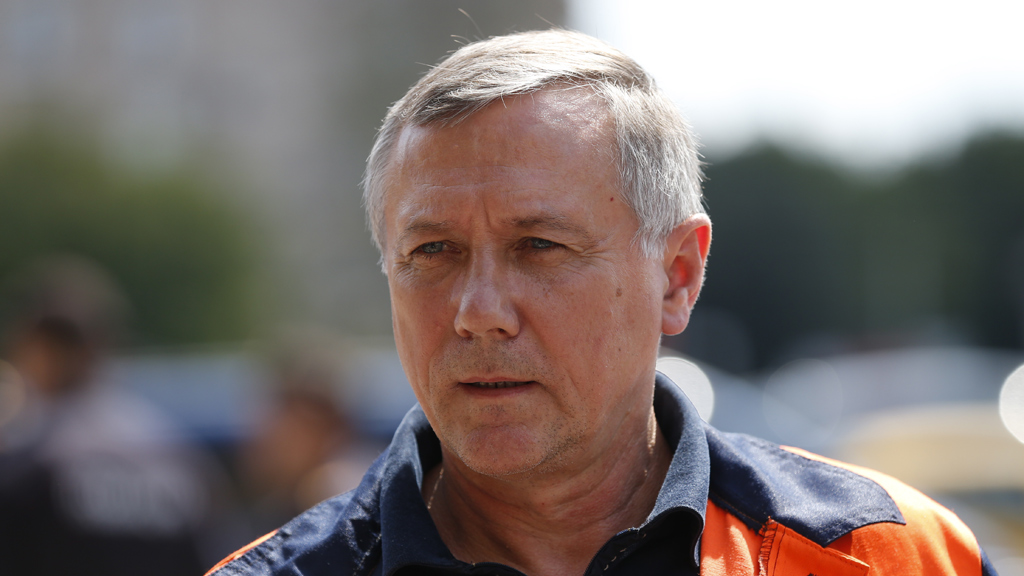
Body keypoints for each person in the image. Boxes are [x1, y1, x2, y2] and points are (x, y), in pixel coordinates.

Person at [207, 29, 997, 576]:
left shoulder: (891, 556)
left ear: (677, 277)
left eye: (538, 246)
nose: (478, 310)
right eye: (433, 252)